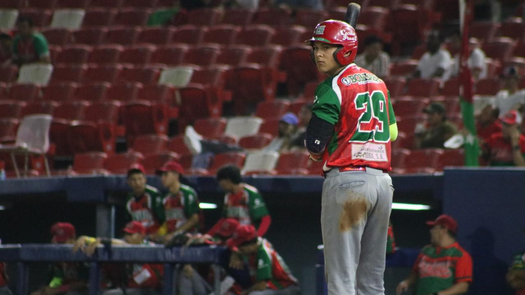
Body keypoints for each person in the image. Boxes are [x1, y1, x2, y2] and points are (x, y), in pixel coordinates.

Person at [304, 20, 397, 295]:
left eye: (326, 48)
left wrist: (321, 146)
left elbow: (315, 145)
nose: (319, 54)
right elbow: (392, 133)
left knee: (342, 280)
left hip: (347, 183)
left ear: (343, 50)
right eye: (316, 48)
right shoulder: (378, 82)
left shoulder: (331, 86)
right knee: (371, 281)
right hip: (382, 185)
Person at [74, 221, 163, 294]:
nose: (127, 236)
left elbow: (125, 246)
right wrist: (86, 239)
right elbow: (116, 242)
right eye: (126, 233)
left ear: (141, 235)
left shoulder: (150, 247)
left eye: (131, 234)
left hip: (151, 290)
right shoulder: (124, 243)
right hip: (132, 287)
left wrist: (104, 241)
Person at [396, 214, 473, 295]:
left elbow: (463, 286)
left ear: (444, 230)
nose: (431, 231)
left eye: (434, 228)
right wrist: (407, 282)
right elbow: (415, 273)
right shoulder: (426, 251)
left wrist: (438, 294)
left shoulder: (461, 255)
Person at [226, 225, 300, 295]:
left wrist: (244, 293)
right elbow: (229, 245)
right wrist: (234, 254)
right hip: (271, 288)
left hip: (285, 288)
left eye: (239, 246)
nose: (238, 248)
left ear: (251, 244)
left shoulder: (263, 253)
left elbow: (261, 286)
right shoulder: (254, 245)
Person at [208, 165, 271, 237]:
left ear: (227, 181)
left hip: (247, 238)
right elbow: (224, 220)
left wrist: (256, 237)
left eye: (221, 182)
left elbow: (265, 219)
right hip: (232, 237)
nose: (220, 185)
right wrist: (209, 235)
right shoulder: (227, 196)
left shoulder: (250, 193)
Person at [31, 223, 88, 295]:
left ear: (73, 239)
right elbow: (56, 280)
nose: (57, 245)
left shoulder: (81, 253)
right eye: (56, 242)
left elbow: (84, 283)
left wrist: (58, 289)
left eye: (62, 242)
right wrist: (45, 291)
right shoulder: (57, 260)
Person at [156, 161, 201, 243]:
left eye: (166, 175)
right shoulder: (165, 198)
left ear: (176, 175)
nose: (162, 178)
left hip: (188, 236)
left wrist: (174, 234)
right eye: (161, 175)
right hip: (172, 236)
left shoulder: (187, 193)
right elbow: (165, 221)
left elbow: (194, 219)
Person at [125, 164, 164, 239]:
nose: (137, 183)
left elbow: (163, 220)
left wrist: (158, 234)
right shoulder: (129, 200)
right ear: (128, 182)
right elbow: (129, 223)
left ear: (145, 180)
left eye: (140, 179)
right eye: (133, 180)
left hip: (155, 236)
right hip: (138, 237)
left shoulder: (153, 195)